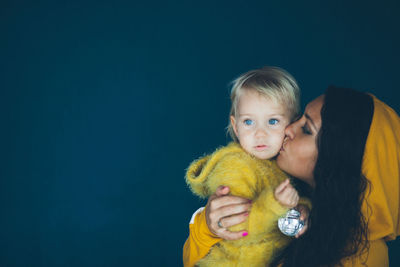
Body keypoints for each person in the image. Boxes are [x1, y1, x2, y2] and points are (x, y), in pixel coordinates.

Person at [183, 86, 400, 267]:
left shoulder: (364, 258)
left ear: (336, 159)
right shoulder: (296, 202)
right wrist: (208, 229)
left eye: (306, 129)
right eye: (297, 119)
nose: (287, 129)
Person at [184, 67, 311, 266]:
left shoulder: (284, 168)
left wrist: (304, 208)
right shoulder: (234, 166)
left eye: (272, 121)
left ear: (291, 124)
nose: (260, 134)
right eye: (249, 121)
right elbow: (237, 227)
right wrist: (276, 204)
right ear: (235, 126)